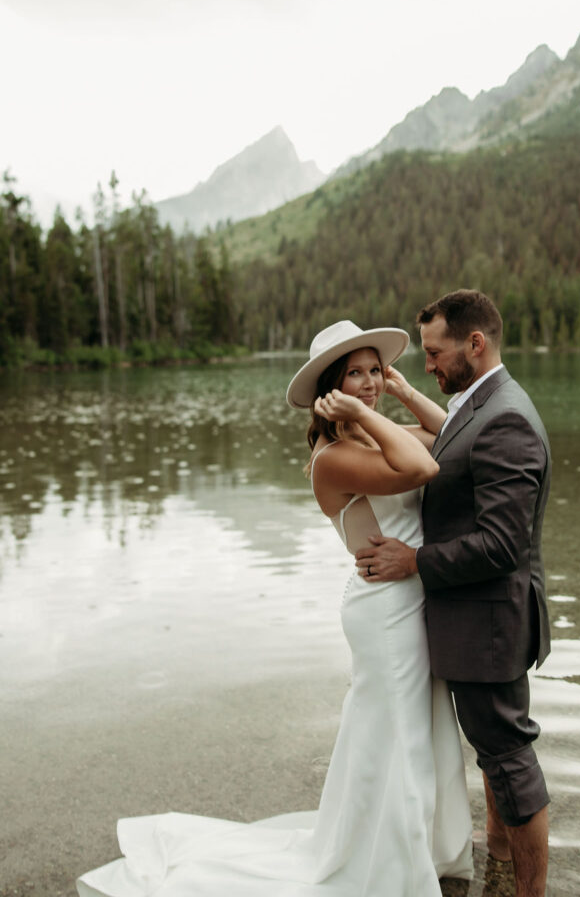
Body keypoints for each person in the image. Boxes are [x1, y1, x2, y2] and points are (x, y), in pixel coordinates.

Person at [76, 319, 473, 897]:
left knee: (420, 729)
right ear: (329, 391)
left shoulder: (376, 431)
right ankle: (384, 864)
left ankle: (420, 847)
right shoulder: (333, 457)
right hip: (383, 612)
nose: (367, 384)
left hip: (412, 600)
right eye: (354, 375)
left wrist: (404, 392)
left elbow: (450, 439)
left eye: (371, 371)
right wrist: (366, 414)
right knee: (393, 735)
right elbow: (423, 470)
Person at [355, 291, 552, 897]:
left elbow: (501, 546)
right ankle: (497, 862)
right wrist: (404, 396)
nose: (429, 365)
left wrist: (415, 559)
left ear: (475, 344)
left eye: (436, 353)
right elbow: (453, 443)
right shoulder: (486, 403)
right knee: (496, 755)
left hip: (489, 621)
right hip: (481, 617)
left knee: (510, 761)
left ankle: (529, 892)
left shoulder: (508, 418)